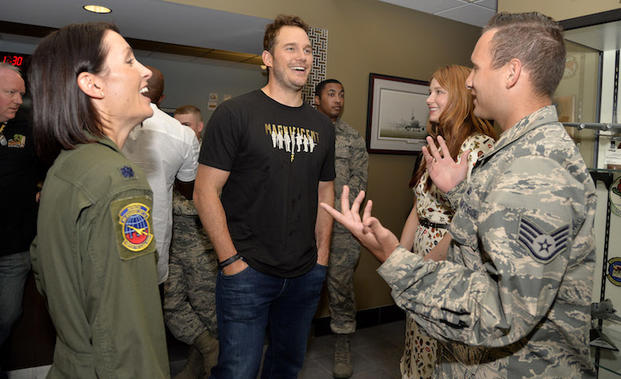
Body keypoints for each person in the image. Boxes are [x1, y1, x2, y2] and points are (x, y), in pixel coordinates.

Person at [321, 12, 596, 378]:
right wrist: (461, 190)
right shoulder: (515, 153)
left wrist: (393, 258)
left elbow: (502, 313)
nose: (469, 81)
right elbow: (489, 242)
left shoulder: (537, 168)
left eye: (476, 68)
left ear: (511, 73)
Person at [193, 14, 335, 379]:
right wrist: (230, 262)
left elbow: (325, 191)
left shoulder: (322, 126)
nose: (302, 56)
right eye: (290, 48)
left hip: (305, 274)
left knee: (286, 367)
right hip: (247, 272)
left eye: (307, 49)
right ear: (267, 58)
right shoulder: (235, 114)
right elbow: (205, 191)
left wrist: (321, 259)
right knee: (237, 371)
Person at [28, 22, 169, 378]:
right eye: (130, 61)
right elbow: (127, 331)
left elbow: (47, 271)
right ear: (93, 84)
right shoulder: (117, 182)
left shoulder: (67, 166)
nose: (145, 71)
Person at [398, 65, 496, 379]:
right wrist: (400, 261)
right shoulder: (437, 143)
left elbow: (469, 222)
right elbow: (418, 207)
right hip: (422, 256)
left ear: (460, 96)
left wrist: (423, 269)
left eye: (439, 91)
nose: (429, 99)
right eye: (430, 91)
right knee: (420, 342)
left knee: (445, 352)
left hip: (452, 263)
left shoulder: (478, 147)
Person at [122, 66, 199, 284]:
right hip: (153, 235)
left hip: (111, 234)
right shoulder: (182, 134)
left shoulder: (108, 121)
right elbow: (188, 188)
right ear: (162, 97)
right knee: (150, 307)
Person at [313, 79, 367, 378]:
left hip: (342, 228)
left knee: (341, 287)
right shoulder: (305, 131)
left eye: (342, 94)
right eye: (331, 94)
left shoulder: (352, 138)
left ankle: (343, 344)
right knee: (301, 286)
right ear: (318, 98)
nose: (338, 99)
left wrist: (342, 212)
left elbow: (360, 182)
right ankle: (298, 336)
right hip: (306, 224)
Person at [164, 104, 218, 379]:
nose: (179, 130)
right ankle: (207, 349)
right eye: (175, 124)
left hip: (202, 246)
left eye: (185, 125)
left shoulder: (212, 158)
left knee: (208, 311)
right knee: (171, 306)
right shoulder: (168, 154)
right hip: (172, 245)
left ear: (199, 127)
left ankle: (205, 365)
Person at [0, 63, 37, 367]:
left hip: (14, 248)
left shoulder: (27, 130)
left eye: (20, 94)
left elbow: (52, 170)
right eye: (10, 92)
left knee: (8, 313)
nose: (17, 99)